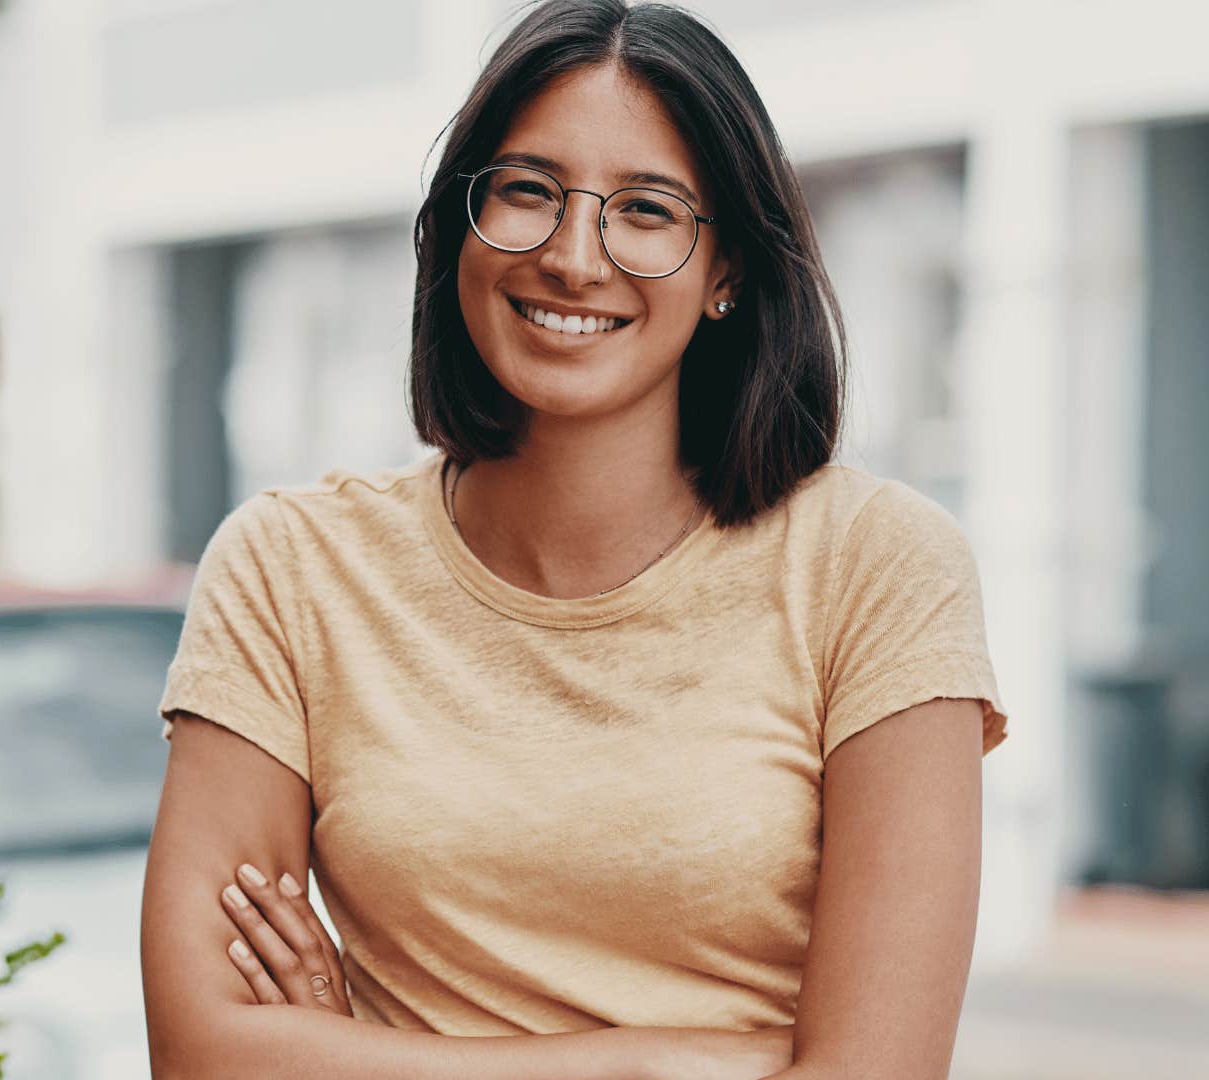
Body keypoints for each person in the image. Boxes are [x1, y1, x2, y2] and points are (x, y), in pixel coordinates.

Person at [138, 1, 1010, 1077]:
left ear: (726, 266)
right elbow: (201, 1055)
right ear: (460, 223)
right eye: (527, 192)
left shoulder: (878, 567)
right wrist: (651, 1063)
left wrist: (352, 1059)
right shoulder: (289, 568)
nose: (573, 256)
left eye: (646, 211)